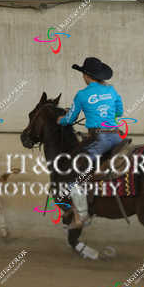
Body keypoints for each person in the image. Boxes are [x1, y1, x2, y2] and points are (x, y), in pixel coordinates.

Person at [56, 57, 124, 230]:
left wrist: (60, 120)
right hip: (117, 137)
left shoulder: (82, 95)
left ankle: (82, 216)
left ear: (86, 76)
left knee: (74, 177)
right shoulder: (111, 89)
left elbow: (70, 119)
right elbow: (120, 111)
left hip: (99, 140)